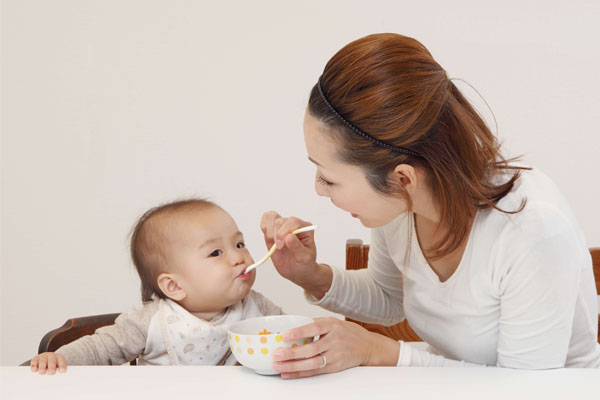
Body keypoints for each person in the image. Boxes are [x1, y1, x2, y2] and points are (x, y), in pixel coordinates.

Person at [260, 33, 600, 378]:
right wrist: (310, 276)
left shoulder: (532, 230)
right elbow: (389, 298)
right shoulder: (401, 207)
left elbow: (525, 388)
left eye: (329, 179)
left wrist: (380, 351)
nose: (318, 190)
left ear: (403, 179)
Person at [30, 199, 283, 374]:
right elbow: (101, 348)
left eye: (239, 244)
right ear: (173, 285)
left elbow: (298, 334)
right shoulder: (150, 322)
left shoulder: (257, 307)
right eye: (216, 252)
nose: (239, 257)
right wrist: (60, 358)